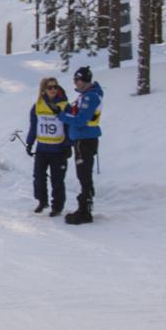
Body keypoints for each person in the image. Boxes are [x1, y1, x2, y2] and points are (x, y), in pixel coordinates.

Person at [59, 66, 103, 224]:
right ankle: (85, 205)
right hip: (81, 140)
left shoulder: (90, 97)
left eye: (76, 80)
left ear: (83, 81)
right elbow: (75, 113)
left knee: (84, 175)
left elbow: (79, 120)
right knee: (83, 174)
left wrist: (62, 115)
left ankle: (84, 210)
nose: (75, 83)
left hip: (85, 140)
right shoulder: (84, 96)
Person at [24, 77, 70, 216]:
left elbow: (69, 127)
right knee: (38, 177)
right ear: (44, 89)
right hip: (42, 148)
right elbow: (34, 126)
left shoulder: (64, 105)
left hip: (58, 149)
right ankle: (42, 201)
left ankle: (57, 206)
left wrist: (68, 145)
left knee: (57, 180)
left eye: (55, 87)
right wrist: (30, 142)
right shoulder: (37, 105)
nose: (53, 90)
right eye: (50, 87)